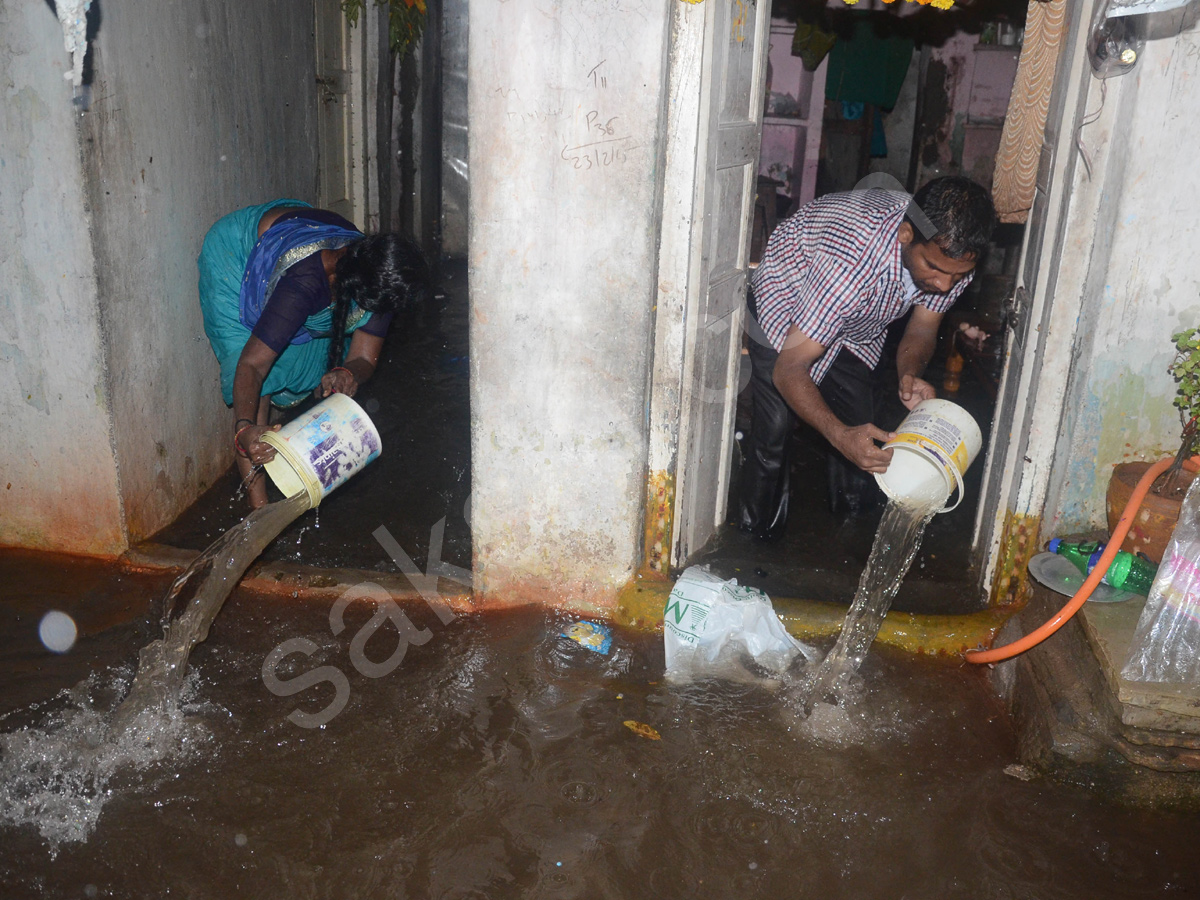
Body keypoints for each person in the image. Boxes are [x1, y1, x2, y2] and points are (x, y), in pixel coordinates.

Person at [738, 176, 996, 539]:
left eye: (957, 276)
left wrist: (909, 372)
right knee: (777, 428)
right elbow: (790, 368)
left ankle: (849, 533)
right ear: (906, 235)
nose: (943, 285)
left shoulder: (951, 257)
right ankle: (754, 539)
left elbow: (922, 328)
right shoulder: (852, 255)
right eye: (934, 269)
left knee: (864, 427)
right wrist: (839, 435)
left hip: (856, 323)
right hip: (786, 304)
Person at [198, 199, 427, 508]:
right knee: (259, 380)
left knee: (287, 349)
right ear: (353, 291)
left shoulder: (381, 275)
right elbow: (253, 365)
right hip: (236, 258)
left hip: (297, 244)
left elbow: (363, 358)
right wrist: (245, 430)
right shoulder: (305, 282)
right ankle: (258, 512)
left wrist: (348, 373)